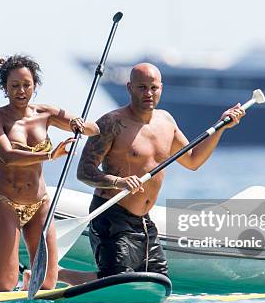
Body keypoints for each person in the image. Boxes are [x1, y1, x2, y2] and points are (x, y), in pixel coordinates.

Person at [57, 63, 245, 285]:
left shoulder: (166, 122)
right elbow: (84, 171)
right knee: (117, 280)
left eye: (153, 88)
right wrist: (119, 182)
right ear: (129, 88)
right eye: (141, 87)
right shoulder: (112, 123)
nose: (148, 93)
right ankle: (57, 275)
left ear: (161, 88)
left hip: (143, 221)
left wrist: (220, 127)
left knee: (157, 281)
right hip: (111, 215)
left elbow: (193, 160)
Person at [0, 54, 99, 293]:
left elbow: (93, 129)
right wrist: (49, 155)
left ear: (35, 86)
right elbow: (7, 155)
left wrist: (78, 123)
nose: (21, 91)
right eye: (14, 86)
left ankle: (29, 279)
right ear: (4, 88)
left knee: (47, 284)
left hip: (40, 203)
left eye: (27, 85)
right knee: (4, 284)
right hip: (6, 203)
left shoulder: (46, 113)